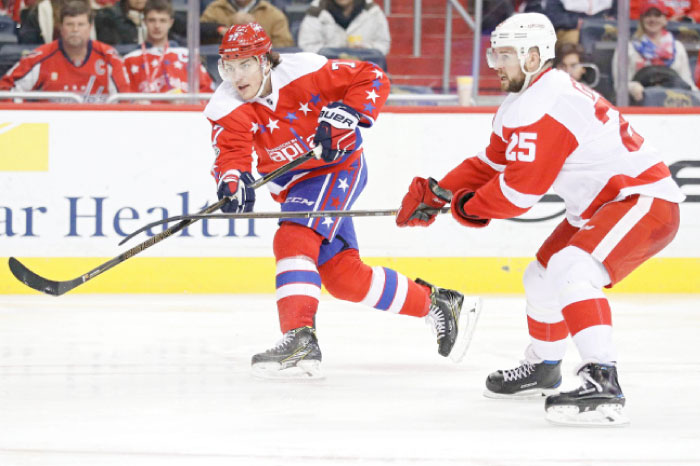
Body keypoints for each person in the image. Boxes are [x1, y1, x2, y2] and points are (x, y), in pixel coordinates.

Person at [396, 12, 684, 426]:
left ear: (534, 56)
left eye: (506, 55)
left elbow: (517, 194)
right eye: (494, 53)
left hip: (642, 201)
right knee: (542, 274)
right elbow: (489, 163)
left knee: (571, 268)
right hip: (605, 205)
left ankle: (603, 380)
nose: (495, 64)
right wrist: (440, 190)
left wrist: (464, 207)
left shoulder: (545, 104)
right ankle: (544, 366)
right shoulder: (523, 100)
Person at [204, 22, 480, 379]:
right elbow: (230, 153)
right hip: (293, 186)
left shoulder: (306, 70)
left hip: (338, 167)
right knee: (343, 279)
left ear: (265, 61)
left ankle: (299, 337)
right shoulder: (224, 105)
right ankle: (440, 304)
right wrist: (232, 181)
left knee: (292, 238)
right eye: (229, 65)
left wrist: (348, 112)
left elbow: (372, 76)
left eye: (245, 64)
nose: (236, 75)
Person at [0, 0, 130, 100]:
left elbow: (126, 100)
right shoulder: (40, 57)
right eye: (70, 24)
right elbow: (5, 89)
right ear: (60, 28)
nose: (75, 30)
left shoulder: (109, 57)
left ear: (90, 27)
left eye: (80, 24)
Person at [612, 0, 698, 103]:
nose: (652, 19)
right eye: (648, 15)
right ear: (641, 20)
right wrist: (632, 87)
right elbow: (619, 84)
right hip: (638, 104)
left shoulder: (677, 47)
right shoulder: (627, 48)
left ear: (665, 19)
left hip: (672, 103)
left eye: (657, 15)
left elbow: (687, 82)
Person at [123, 0, 214, 93]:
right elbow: (124, 97)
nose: (157, 26)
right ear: (144, 21)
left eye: (162, 20)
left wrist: (186, 102)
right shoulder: (129, 59)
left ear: (170, 23)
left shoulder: (187, 56)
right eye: (152, 20)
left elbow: (207, 90)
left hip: (182, 107)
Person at [297, 0, 390, 55]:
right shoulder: (315, 11)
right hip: (326, 74)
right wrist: (337, 53)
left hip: (364, 72)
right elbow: (307, 47)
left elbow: (383, 45)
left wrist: (364, 48)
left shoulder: (373, 11)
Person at [200, 0, 293, 46]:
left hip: (260, 70)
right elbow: (198, 37)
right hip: (220, 66)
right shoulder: (214, 9)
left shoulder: (274, 14)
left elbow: (284, 48)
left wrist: (256, 33)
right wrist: (230, 22)